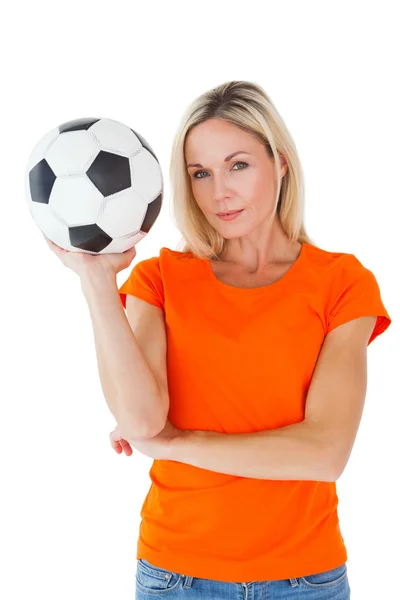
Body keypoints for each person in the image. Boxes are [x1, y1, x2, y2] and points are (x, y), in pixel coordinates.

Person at [45, 80, 392, 598]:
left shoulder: (342, 283)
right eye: (200, 174)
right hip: (176, 576)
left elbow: (324, 453)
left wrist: (175, 442)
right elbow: (141, 421)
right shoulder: (160, 279)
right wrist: (96, 280)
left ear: (280, 163)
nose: (219, 192)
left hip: (306, 579)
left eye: (239, 165)